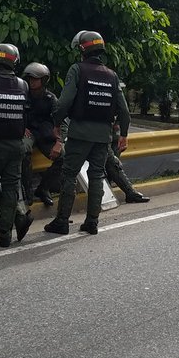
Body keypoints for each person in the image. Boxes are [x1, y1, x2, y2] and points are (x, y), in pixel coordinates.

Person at [44, 30, 130, 237]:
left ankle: (62, 221)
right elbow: (124, 110)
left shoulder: (77, 70)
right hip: (102, 137)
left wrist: (56, 123)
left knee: (69, 175)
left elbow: (64, 102)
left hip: (80, 133)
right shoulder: (111, 75)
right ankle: (92, 222)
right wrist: (124, 134)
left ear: (82, 49)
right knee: (96, 176)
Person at [0, 43, 35, 248]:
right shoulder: (23, 84)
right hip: (16, 146)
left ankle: (17, 217)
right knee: (11, 189)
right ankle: (5, 234)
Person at [23, 62, 63, 206]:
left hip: (45, 135)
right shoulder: (22, 95)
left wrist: (59, 142)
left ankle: (43, 188)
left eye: (35, 79)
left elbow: (60, 121)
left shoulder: (51, 99)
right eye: (30, 79)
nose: (32, 82)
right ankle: (27, 193)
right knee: (23, 151)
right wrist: (21, 127)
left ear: (44, 80)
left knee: (63, 157)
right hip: (28, 132)